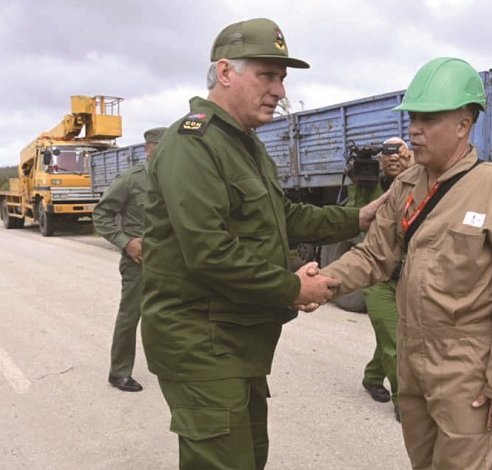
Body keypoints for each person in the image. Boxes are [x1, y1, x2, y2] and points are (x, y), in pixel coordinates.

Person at [140, 18, 386, 469]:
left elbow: (284, 217)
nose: (279, 90)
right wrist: (294, 288)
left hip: (236, 341)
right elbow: (209, 252)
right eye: (266, 76)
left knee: (250, 457)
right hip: (202, 344)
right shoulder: (193, 143)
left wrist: (359, 216)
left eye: (282, 79)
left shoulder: (246, 145)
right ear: (226, 72)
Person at [321, 57, 492, 469]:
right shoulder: (406, 185)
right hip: (411, 355)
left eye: (428, 119)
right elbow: (374, 254)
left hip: (465, 365)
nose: (414, 130)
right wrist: (320, 283)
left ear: (464, 123)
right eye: (412, 118)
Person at [93, 126, 166, 392]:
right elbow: (101, 215)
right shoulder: (131, 179)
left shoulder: (177, 178)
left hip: (171, 261)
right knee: (130, 316)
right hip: (140, 261)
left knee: (169, 314)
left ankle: (169, 366)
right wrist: (126, 242)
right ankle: (119, 372)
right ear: (148, 150)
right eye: (160, 148)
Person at [349, 138, 413, 420]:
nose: (392, 159)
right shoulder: (369, 184)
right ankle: (403, 400)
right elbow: (355, 216)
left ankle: (372, 377)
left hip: (405, 275)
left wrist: (413, 171)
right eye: (386, 154)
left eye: (398, 152)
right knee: (394, 341)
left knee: (392, 333)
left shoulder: (419, 180)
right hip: (377, 275)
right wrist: (363, 181)